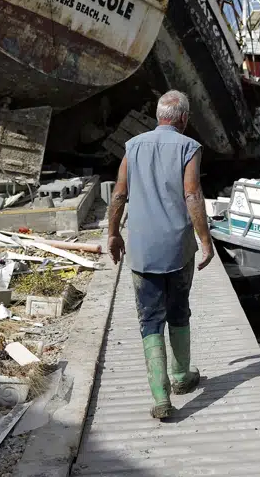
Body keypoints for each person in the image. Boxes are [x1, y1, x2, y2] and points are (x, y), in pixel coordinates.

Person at [107, 89, 215, 420]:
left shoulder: (133, 146)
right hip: (178, 248)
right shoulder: (189, 147)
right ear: (183, 119)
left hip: (141, 248)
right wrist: (205, 240)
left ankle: (160, 397)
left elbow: (119, 194)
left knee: (149, 318)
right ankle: (182, 377)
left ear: (158, 117)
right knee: (178, 309)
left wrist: (112, 233)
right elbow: (192, 195)